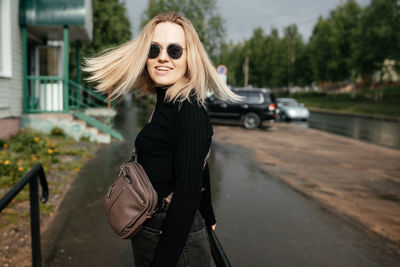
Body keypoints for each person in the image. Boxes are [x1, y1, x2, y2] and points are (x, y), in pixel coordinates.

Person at [84, 12, 240, 267]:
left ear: (190, 58)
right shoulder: (167, 100)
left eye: (175, 50)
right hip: (155, 228)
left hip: (173, 239)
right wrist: (209, 214)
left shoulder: (187, 108)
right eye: (154, 49)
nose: (163, 57)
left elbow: (188, 193)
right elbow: (199, 165)